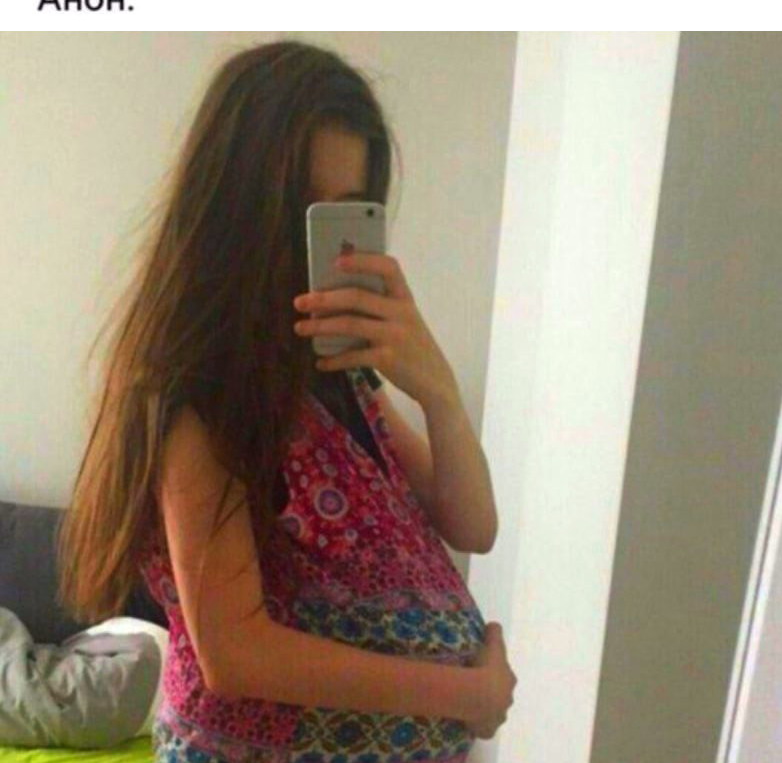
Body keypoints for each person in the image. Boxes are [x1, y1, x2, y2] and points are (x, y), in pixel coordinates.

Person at [57, 40, 516, 763]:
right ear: (233, 209)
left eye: (342, 214)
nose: (313, 248)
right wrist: (466, 695)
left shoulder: (338, 374)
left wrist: (439, 392)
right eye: (296, 211)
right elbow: (236, 652)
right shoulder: (196, 387)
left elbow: (473, 523)